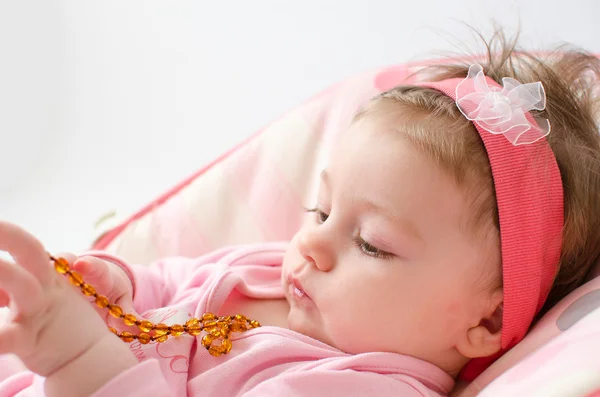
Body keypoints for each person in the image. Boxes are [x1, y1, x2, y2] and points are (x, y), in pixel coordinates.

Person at [1, 32, 599, 397]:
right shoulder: (268, 271)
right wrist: (120, 284)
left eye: (371, 243)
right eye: (320, 209)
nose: (312, 245)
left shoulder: (359, 387)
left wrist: (79, 358)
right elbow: (172, 278)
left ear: (488, 322)